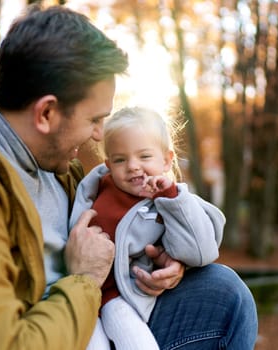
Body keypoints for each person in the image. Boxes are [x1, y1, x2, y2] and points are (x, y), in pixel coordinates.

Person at [0, 4, 258, 350]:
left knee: (222, 292)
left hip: (92, 325)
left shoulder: (55, 166)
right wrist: (85, 279)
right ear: (46, 113)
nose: (100, 134)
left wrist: (165, 258)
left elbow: (138, 216)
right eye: (95, 119)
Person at [69, 106, 226, 349]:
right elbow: (75, 224)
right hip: (83, 291)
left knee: (131, 334)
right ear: (108, 164)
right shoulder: (95, 185)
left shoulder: (170, 202)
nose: (132, 166)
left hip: (121, 294)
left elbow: (200, 251)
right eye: (120, 159)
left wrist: (171, 198)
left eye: (144, 157)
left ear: (166, 160)